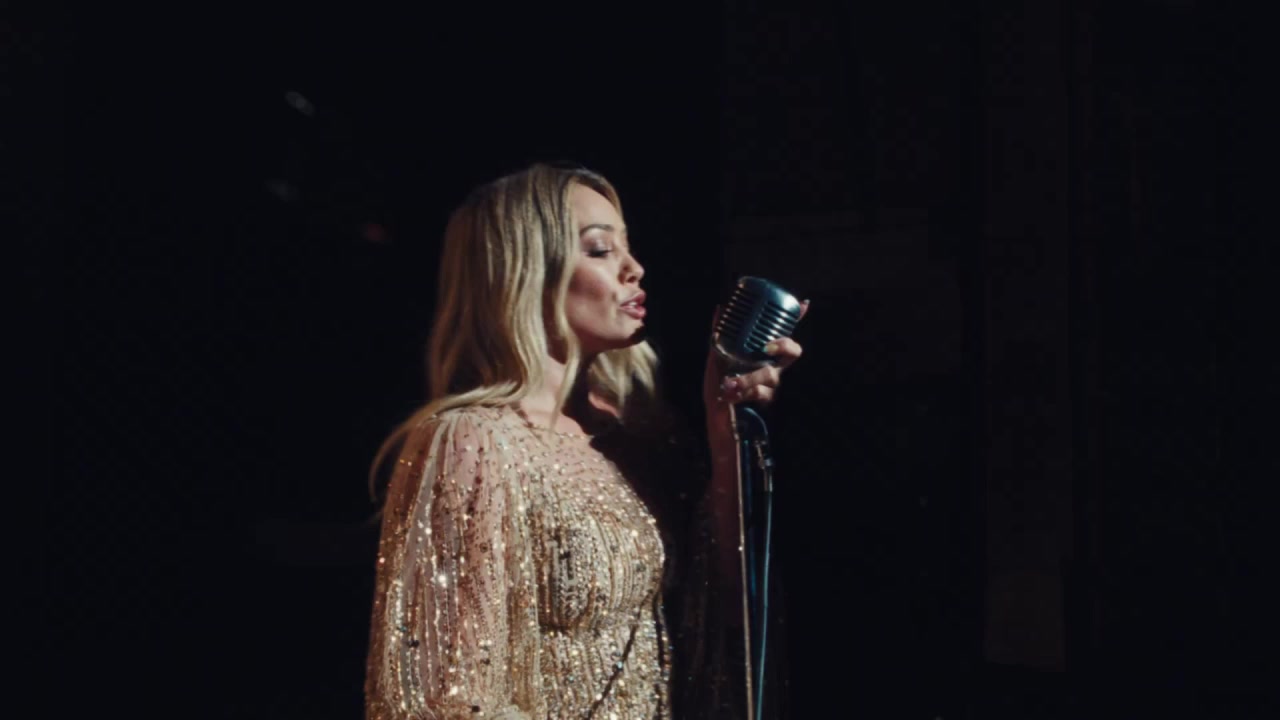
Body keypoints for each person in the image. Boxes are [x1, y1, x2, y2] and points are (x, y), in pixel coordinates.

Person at [364, 163, 807, 719]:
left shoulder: (644, 438)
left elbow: (720, 619)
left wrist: (723, 432)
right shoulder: (473, 444)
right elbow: (448, 698)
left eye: (628, 246)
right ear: (525, 273)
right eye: (600, 249)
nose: (634, 268)